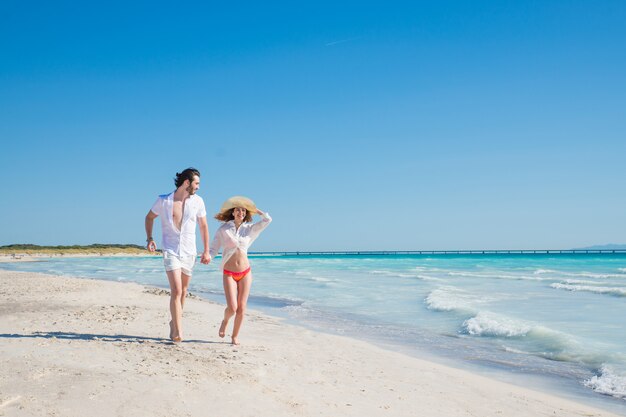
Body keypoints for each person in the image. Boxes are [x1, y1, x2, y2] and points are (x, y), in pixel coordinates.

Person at [145, 167, 211, 342]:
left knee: (183, 291)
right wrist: (150, 238)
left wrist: (206, 251)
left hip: (190, 251)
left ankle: (174, 323)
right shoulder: (164, 201)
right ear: (186, 182)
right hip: (171, 250)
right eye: (196, 183)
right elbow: (149, 218)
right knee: (176, 290)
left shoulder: (198, 202)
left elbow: (204, 226)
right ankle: (178, 332)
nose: (198, 187)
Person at [210, 196, 271, 345]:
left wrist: (256, 210)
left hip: (245, 272)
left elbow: (267, 220)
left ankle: (234, 336)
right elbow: (214, 247)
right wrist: (208, 256)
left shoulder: (249, 229)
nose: (241, 212)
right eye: (238, 210)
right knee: (232, 307)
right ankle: (225, 321)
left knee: (242, 308)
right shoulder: (224, 229)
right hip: (229, 273)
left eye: (243, 210)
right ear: (232, 212)